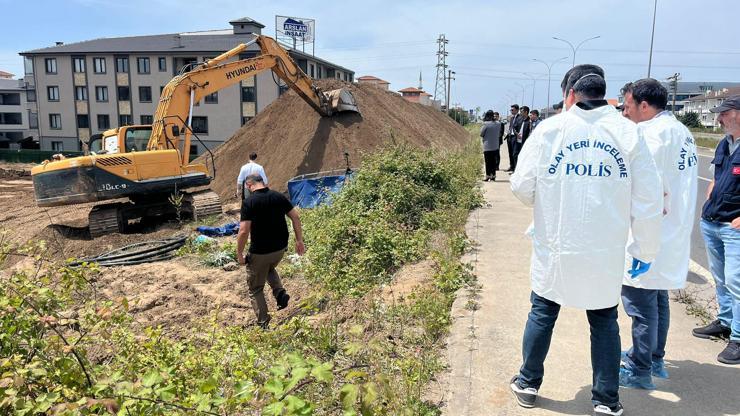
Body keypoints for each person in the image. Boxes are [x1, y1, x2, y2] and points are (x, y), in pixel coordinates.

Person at [509, 64, 663, 416]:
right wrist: (645, 247)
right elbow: (648, 200)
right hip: (604, 250)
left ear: (572, 95)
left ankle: (529, 383)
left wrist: (549, 196)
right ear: (605, 95)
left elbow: (521, 186)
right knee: (604, 321)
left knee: (543, 312)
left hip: (557, 245)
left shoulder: (550, 130)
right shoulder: (628, 134)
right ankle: (606, 399)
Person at [619, 78, 698, 388]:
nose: (625, 112)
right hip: (672, 231)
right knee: (658, 297)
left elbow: (645, 188)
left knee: (640, 302)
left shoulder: (651, 134)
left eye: (627, 106)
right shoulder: (681, 131)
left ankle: (639, 369)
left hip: (651, 231)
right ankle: (655, 359)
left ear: (644, 105)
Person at [692, 94, 740, 365]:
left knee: (736, 281)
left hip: (734, 226)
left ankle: (738, 337)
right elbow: (715, 177)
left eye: (724, 113)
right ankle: (725, 322)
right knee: (721, 278)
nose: (719, 118)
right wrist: (711, 193)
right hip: (712, 222)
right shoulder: (725, 143)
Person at [236, 174, 305, 329]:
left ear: (248, 185)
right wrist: (299, 240)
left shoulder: (249, 202)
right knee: (269, 267)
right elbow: (295, 217)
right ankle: (280, 293)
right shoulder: (278, 196)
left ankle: (263, 324)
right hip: (280, 249)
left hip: (260, 252)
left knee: (255, 288)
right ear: (264, 182)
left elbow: (243, 230)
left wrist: (240, 253)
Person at [480, 110, 504, 181]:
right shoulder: (498, 124)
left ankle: (487, 176)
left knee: (488, 162)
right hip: (495, 145)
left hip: (487, 146)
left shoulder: (485, 124)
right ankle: (493, 176)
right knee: (493, 161)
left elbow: (481, 134)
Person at [511, 106, 531, 171]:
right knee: (515, 155)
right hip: (517, 141)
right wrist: (517, 134)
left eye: (522, 112)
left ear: (526, 112)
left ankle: (522, 170)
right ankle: (516, 170)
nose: (520, 113)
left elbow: (530, 132)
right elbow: (514, 128)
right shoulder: (519, 119)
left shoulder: (529, 121)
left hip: (524, 143)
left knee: (523, 157)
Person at [506, 104, 523, 172]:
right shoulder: (512, 118)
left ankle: (516, 169)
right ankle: (512, 166)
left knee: (515, 153)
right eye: (511, 110)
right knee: (510, 153)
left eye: (512, 110)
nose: (511, 111)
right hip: (510, 137)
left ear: (517, 110)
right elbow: (511, 126)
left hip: (516, 137)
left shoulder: (520, 117)